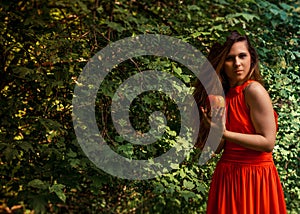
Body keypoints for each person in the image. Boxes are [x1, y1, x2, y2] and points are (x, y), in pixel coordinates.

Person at [194, 31, 287, 214]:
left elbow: (268, 143)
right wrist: (214, 129)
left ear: (251, 58)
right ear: (222, 64)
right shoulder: (223, 97)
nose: (237, 63)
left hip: (256, 176)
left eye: (242, 56)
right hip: (228, 176)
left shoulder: (254, 91)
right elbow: (219, 148)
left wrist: (224, 133)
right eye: (230, 58)